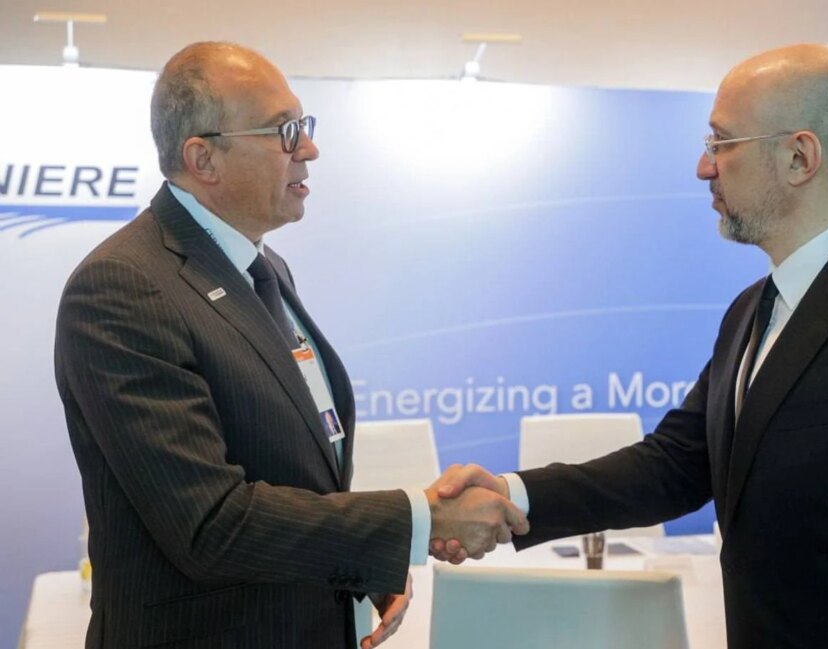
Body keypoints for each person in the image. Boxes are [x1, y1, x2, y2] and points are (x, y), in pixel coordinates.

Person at [434, 44, 828, 648]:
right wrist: (513, 495)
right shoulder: (753, 309)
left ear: (799, 157)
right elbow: (675, 464)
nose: (703, 167)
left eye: (722, 143)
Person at [55, 41, 527, 649]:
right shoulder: (123, 286)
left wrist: (363, 563)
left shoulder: (265, 267)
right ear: (203, 158)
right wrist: (417, 519)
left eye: (304, 125)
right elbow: (210, 524)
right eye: (283, 131)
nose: (308, 149)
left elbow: (294, 479)